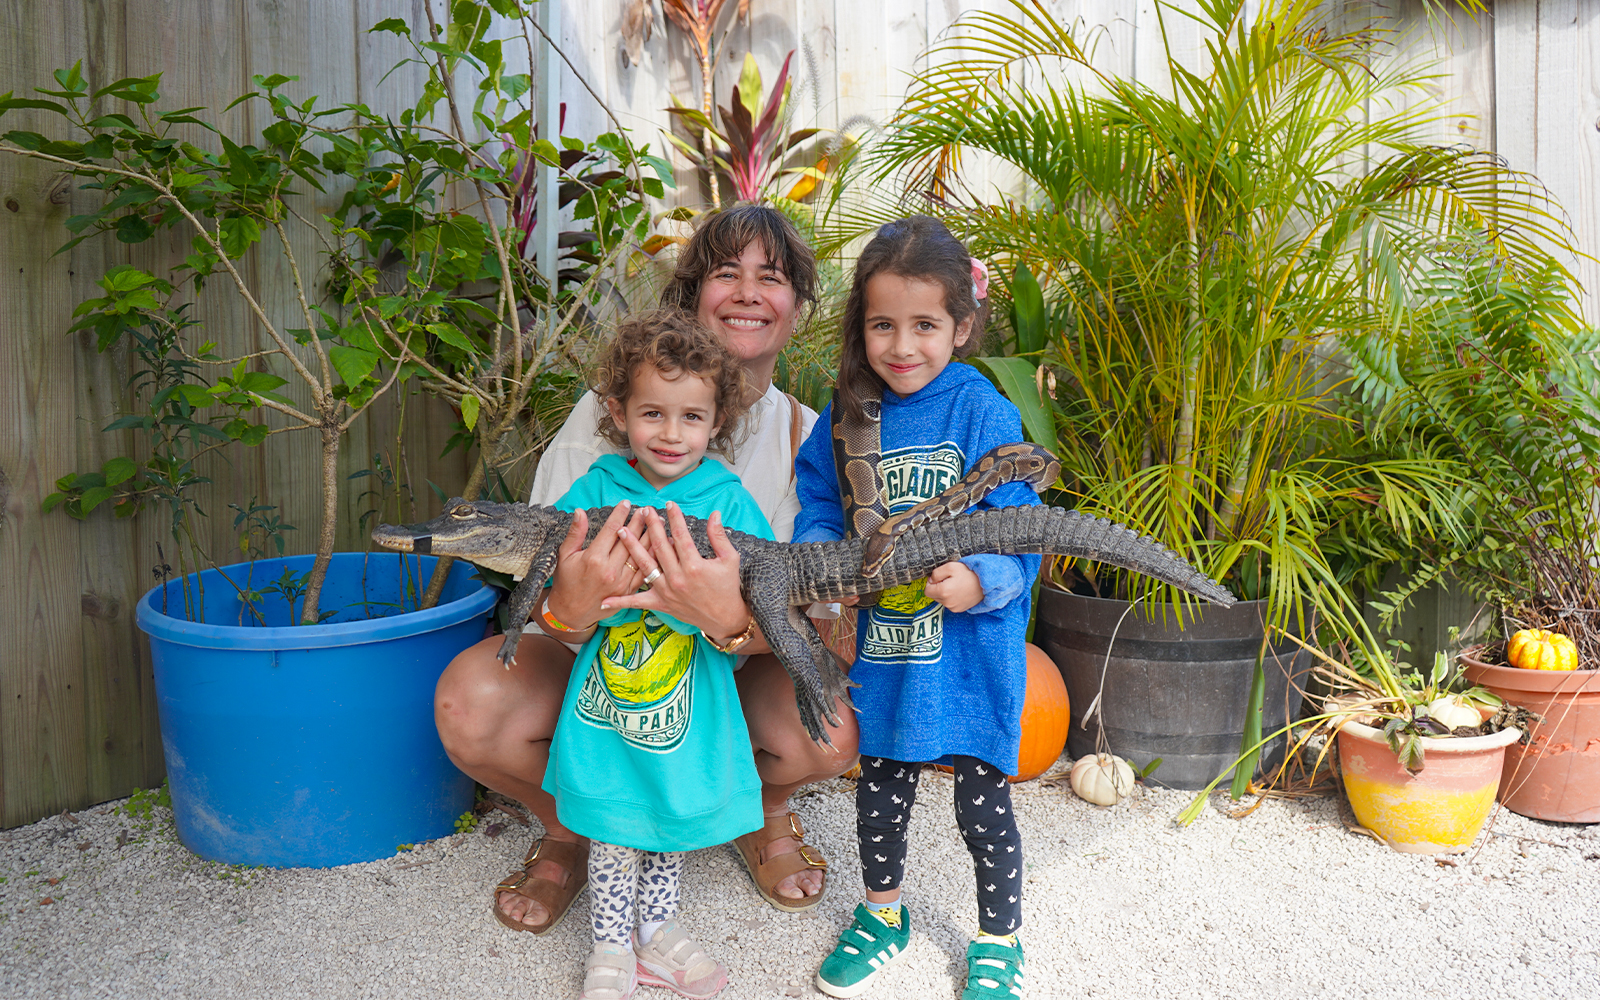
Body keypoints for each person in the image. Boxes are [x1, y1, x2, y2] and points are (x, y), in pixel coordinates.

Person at [434, 206, 857, 939]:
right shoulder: (601, 434)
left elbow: (811, 621)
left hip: (719, 668)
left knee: (824, 730)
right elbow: (537, 580)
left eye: (773, 277)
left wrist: (721, 618)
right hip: (595, 661)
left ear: (796, 308)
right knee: (469, 703)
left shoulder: (809, 438)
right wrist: (572, 607)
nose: (749, 292)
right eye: (727, 273)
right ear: (694, 293)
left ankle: (757, 813)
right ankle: (572, 826)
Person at [792, 216, 1038, 1000]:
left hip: (970, 654)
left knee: (982, 800)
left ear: (961, 327)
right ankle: (883, 914)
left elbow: (1024, 525)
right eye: (883, 325)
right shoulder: (846, 413)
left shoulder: (981, 411)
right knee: (881, 786)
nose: (903, 346)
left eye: (925, 325)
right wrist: (819, 559)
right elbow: (821, 501)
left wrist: (984, 578)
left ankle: (1000, 940)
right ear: (860, 329)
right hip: (891, 645)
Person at [541, 311, 768, 1000]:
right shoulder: (598, 491)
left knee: (669, 816)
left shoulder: (728, 499)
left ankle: (655, 932)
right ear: (617, 412)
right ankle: (610, 944)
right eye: (652, 413)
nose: (672, 434)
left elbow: (763, 593)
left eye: (692, 417)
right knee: (614, 819)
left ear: (716, 420)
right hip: (609, 697)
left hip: (692, 694)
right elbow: (560, 582)